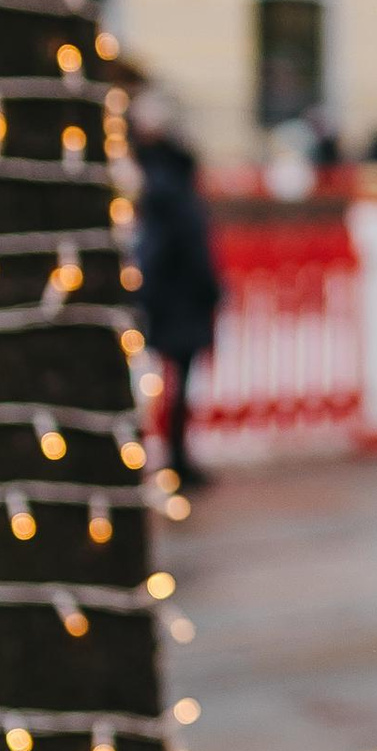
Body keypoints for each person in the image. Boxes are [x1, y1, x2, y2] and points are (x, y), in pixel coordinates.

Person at [129, 91, 221, 491]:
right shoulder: (169, 186)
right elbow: (183, 243)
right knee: (166, 384)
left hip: (169, 294)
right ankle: (173, 459)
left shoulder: (156, 179)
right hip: (175, 294)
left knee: (164, 383)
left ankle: (169, 457)